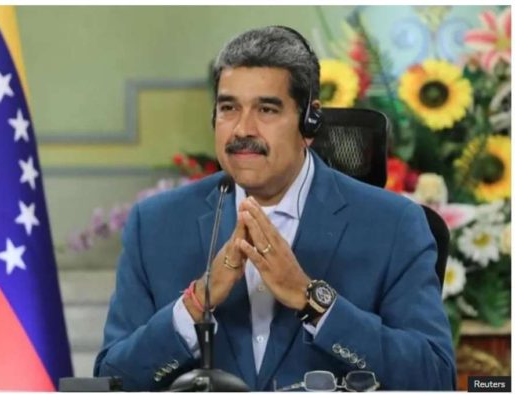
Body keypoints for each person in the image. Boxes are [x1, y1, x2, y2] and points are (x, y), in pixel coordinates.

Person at [94, 25, 456, 391]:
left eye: (266, 109)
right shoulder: (156, 224)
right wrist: (194, 305)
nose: (242, 130)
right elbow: (111, 381)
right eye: (228, 108)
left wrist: (312, 300)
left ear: (309, 122)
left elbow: (435, 378)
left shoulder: (393, 225)